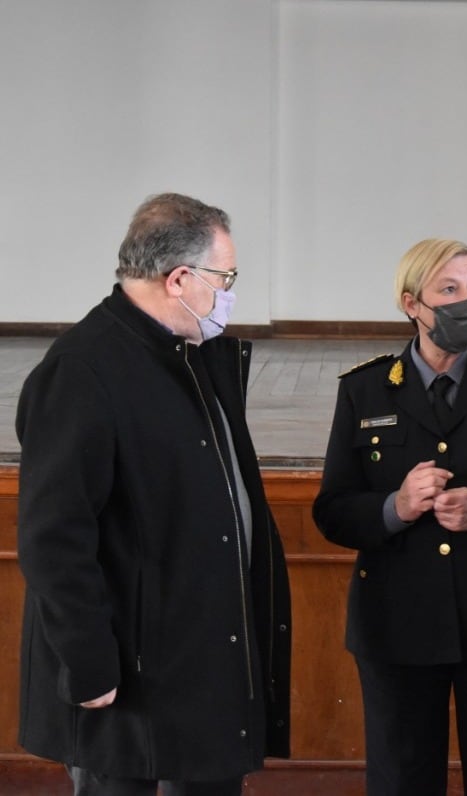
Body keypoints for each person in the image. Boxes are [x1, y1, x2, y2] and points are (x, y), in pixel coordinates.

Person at [15, 193, 291, 795]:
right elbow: (53, 538)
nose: (230, 291)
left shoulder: (193, 356)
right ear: (180, 278)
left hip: (200, 663)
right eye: (227, 277)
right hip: (124, 678)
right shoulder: (82, 370)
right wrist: (89, 666)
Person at [312, 238, 467, 796]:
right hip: (398, 626)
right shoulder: (365, 389)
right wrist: (394, 507)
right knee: (402, 781)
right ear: (411, 304)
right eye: (448, 290)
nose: (466, 303)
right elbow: (332, 510)